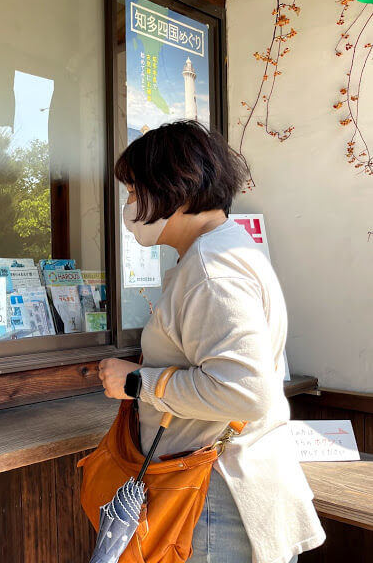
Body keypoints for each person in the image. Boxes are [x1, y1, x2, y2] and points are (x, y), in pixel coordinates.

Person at [98, 121, 324, 563]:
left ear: (174, 189)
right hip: (230, 483)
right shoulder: (225, 248)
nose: (127, 206)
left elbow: (243, 391)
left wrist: (136, 382)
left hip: (217, 495)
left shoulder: (210, 268)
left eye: (132, 190)